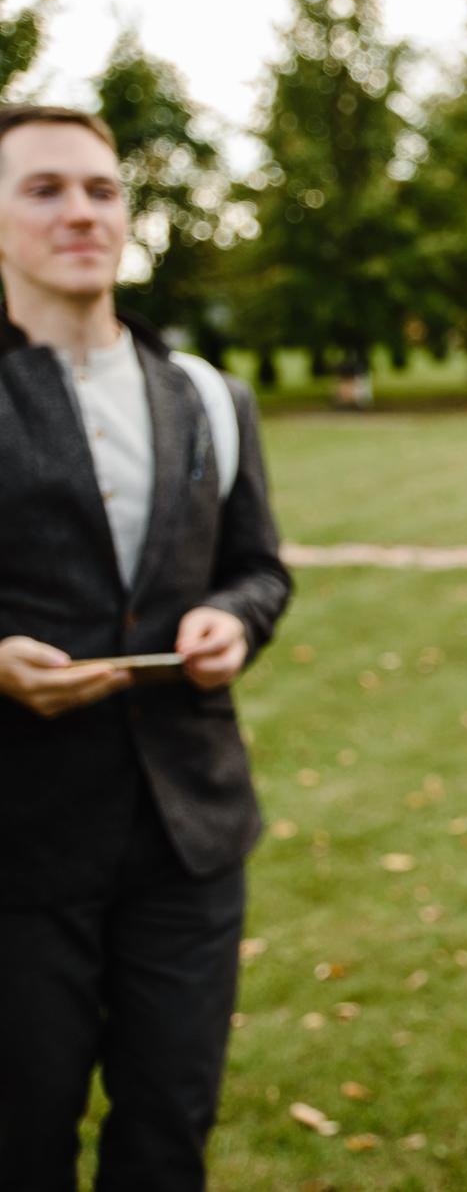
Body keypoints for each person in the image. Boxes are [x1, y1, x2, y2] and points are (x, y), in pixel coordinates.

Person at [0, 105, 292, 1186]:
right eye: (43, 189)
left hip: (189, 837)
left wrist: (236, 620)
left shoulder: (209, 398)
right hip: (19, 844)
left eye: (101, 188)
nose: (81, 211)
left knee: (168, 1129)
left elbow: (260, 567)